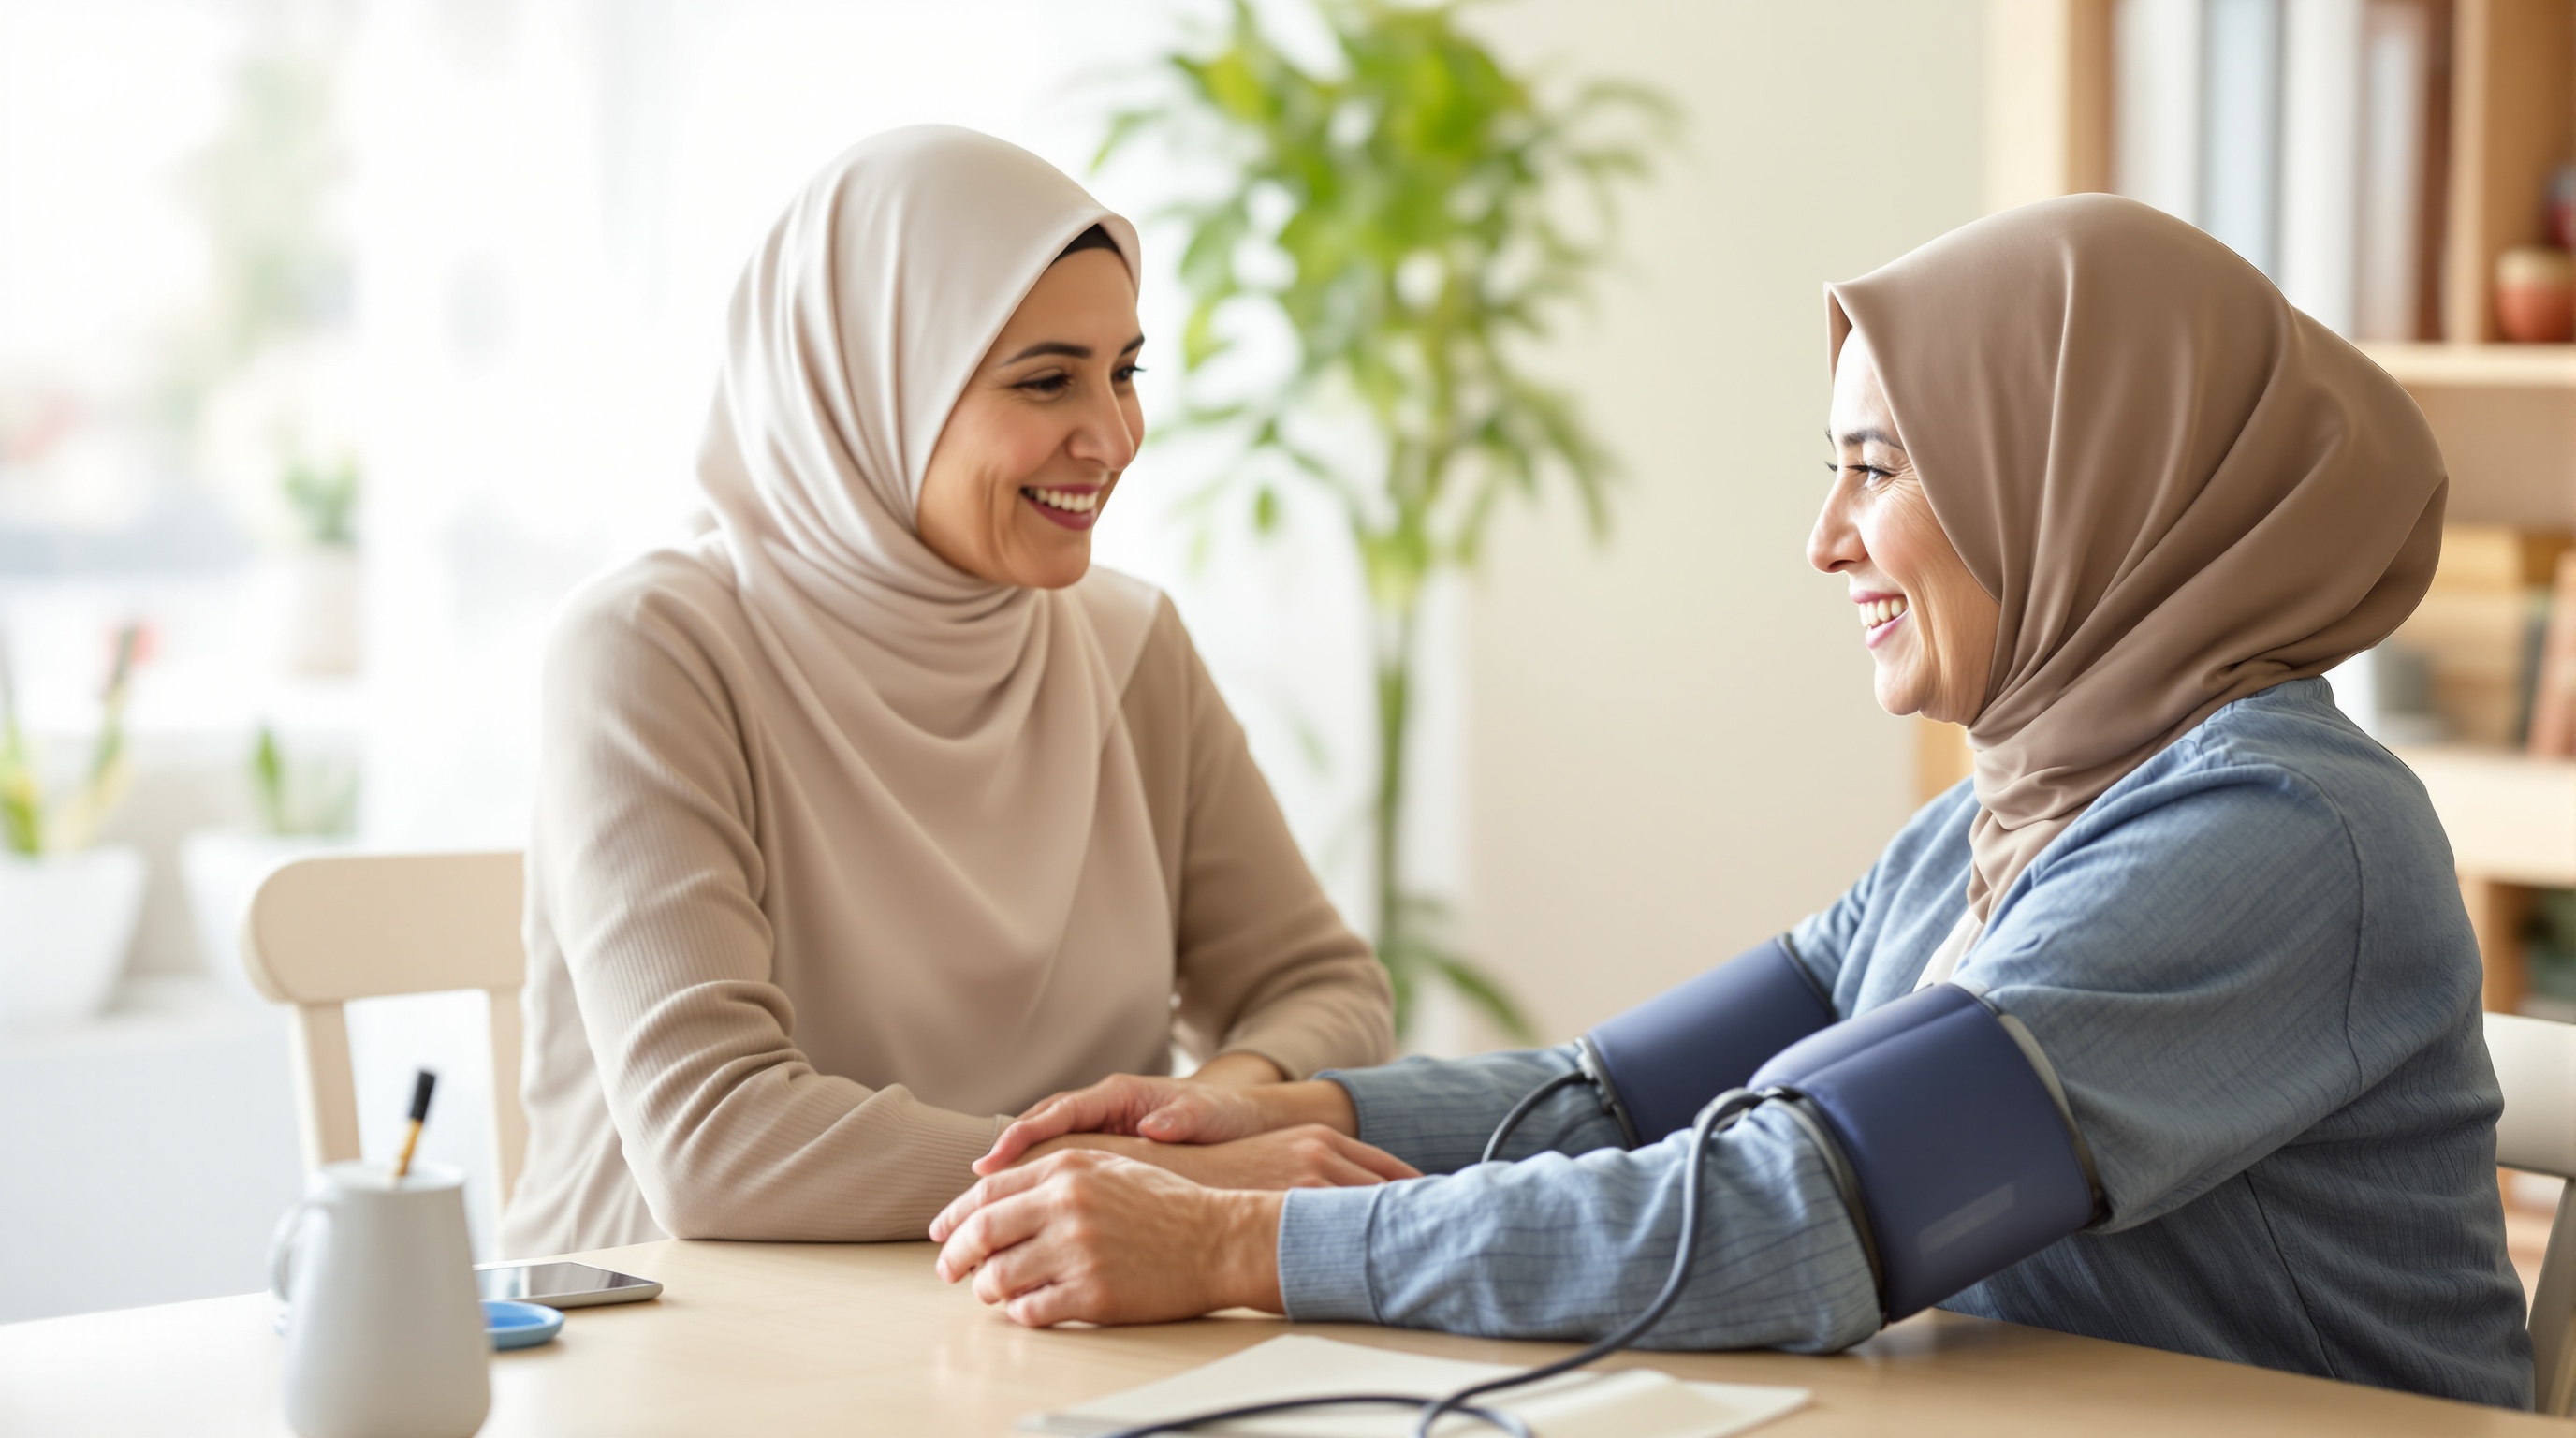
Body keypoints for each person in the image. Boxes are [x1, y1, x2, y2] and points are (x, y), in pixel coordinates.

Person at [928, 194, 2536, 1409]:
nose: (1825, 540)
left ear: (2080, 477)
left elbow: (1799, 1213)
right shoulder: (1996, 826)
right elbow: (1620, 1096)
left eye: (1880, 467)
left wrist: (1235, 1247)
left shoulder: (2273, 838)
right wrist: (1299, 1120)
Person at [501, 126, 1402, 1258]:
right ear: (874, 385)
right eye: (1046, 381)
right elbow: (714, 1143)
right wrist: (1141, 1168)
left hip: (1050, 1308)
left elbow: (1321, 984)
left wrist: (1219, 1103)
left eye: (1124, 371)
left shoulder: (1129, 647)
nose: (1114, 436)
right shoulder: (651, 647)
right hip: (679, 1334)